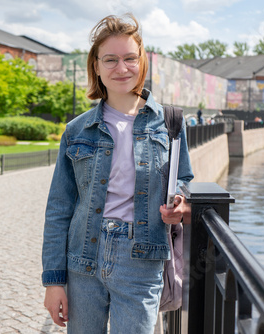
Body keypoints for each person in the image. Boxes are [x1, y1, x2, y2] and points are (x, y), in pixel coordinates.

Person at [42, 13, 194, 334]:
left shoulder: (170, 124)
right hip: (84, 258)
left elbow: (184, 182)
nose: (121, 68)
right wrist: (54, 282)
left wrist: (181, 205)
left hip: (142, 258)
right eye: (110, 60)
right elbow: (59, 209)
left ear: (142, 63)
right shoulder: (77, 130)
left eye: (129, 59)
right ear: (95, 66)